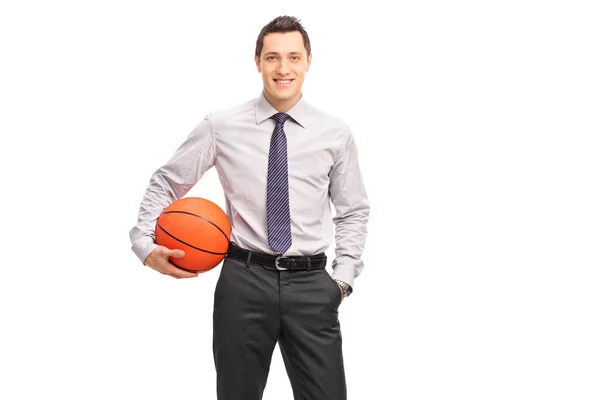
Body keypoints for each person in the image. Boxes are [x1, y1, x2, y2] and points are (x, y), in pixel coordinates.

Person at [129, 15, 370, 400]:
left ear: (309, 61)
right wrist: (144, 243)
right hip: (243, 281)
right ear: (257, 61)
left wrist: (342, 280)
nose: (283, 68)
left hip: (311, 284)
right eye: (272, 57)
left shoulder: (335, 133)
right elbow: (167, 181)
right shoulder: (221, 125)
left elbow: (353, 209)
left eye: (293, 56)